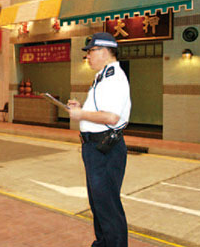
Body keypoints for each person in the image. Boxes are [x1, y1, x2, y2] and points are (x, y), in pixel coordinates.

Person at [68, 32, 131, 247]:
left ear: (104, 52)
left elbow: (111, 117)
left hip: (105, 148)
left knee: (108, 206)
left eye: (90, 52)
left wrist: (81, 115)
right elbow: (100, 110)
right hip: (95, 148)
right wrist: (81, 109)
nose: (87, 57)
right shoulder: (102, 76)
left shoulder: (115, 78)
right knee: (98, 204)